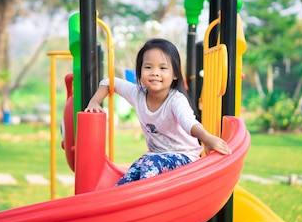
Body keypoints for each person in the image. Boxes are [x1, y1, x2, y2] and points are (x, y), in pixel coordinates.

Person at [85, 38, 231, 185]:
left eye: (162, 68)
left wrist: (206, 137)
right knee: (136, 169)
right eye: (148, 67)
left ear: (175, 74)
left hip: (185, 157)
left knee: (149, 162)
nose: (154, 73)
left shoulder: (175, 100)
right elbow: (109, 82)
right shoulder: (137, 94)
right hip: (155, 157)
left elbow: (189, 122)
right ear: (140, 71)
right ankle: (117, 199)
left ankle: (146, 202)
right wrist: (94, 101)